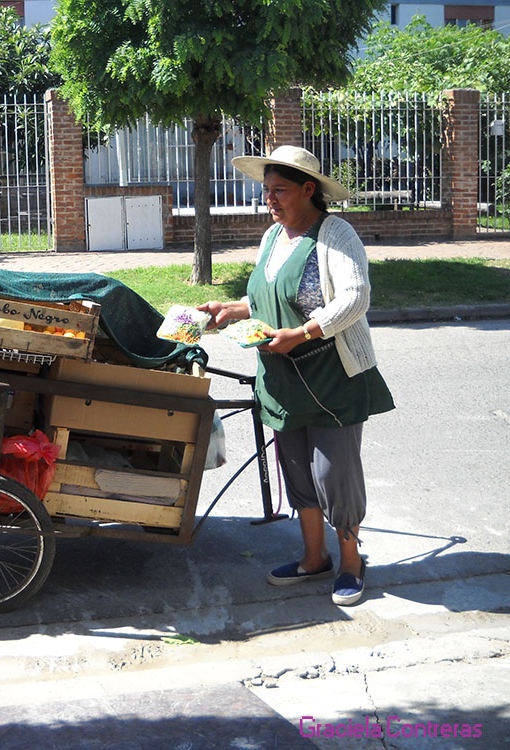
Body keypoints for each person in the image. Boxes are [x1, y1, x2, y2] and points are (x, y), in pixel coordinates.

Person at [198, 145, 394, 607]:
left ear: (310, 190)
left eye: (280, 190)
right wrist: (229, 311)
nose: (270, 199)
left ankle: (350, 562)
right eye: (266, 191)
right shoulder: (273, 237)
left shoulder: (336, 234)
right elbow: (262, 297)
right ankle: (313, 558)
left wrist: (302, 333)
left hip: (333, 377)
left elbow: (354, 297)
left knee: (334, 475)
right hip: (281, 378)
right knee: (297, 473)